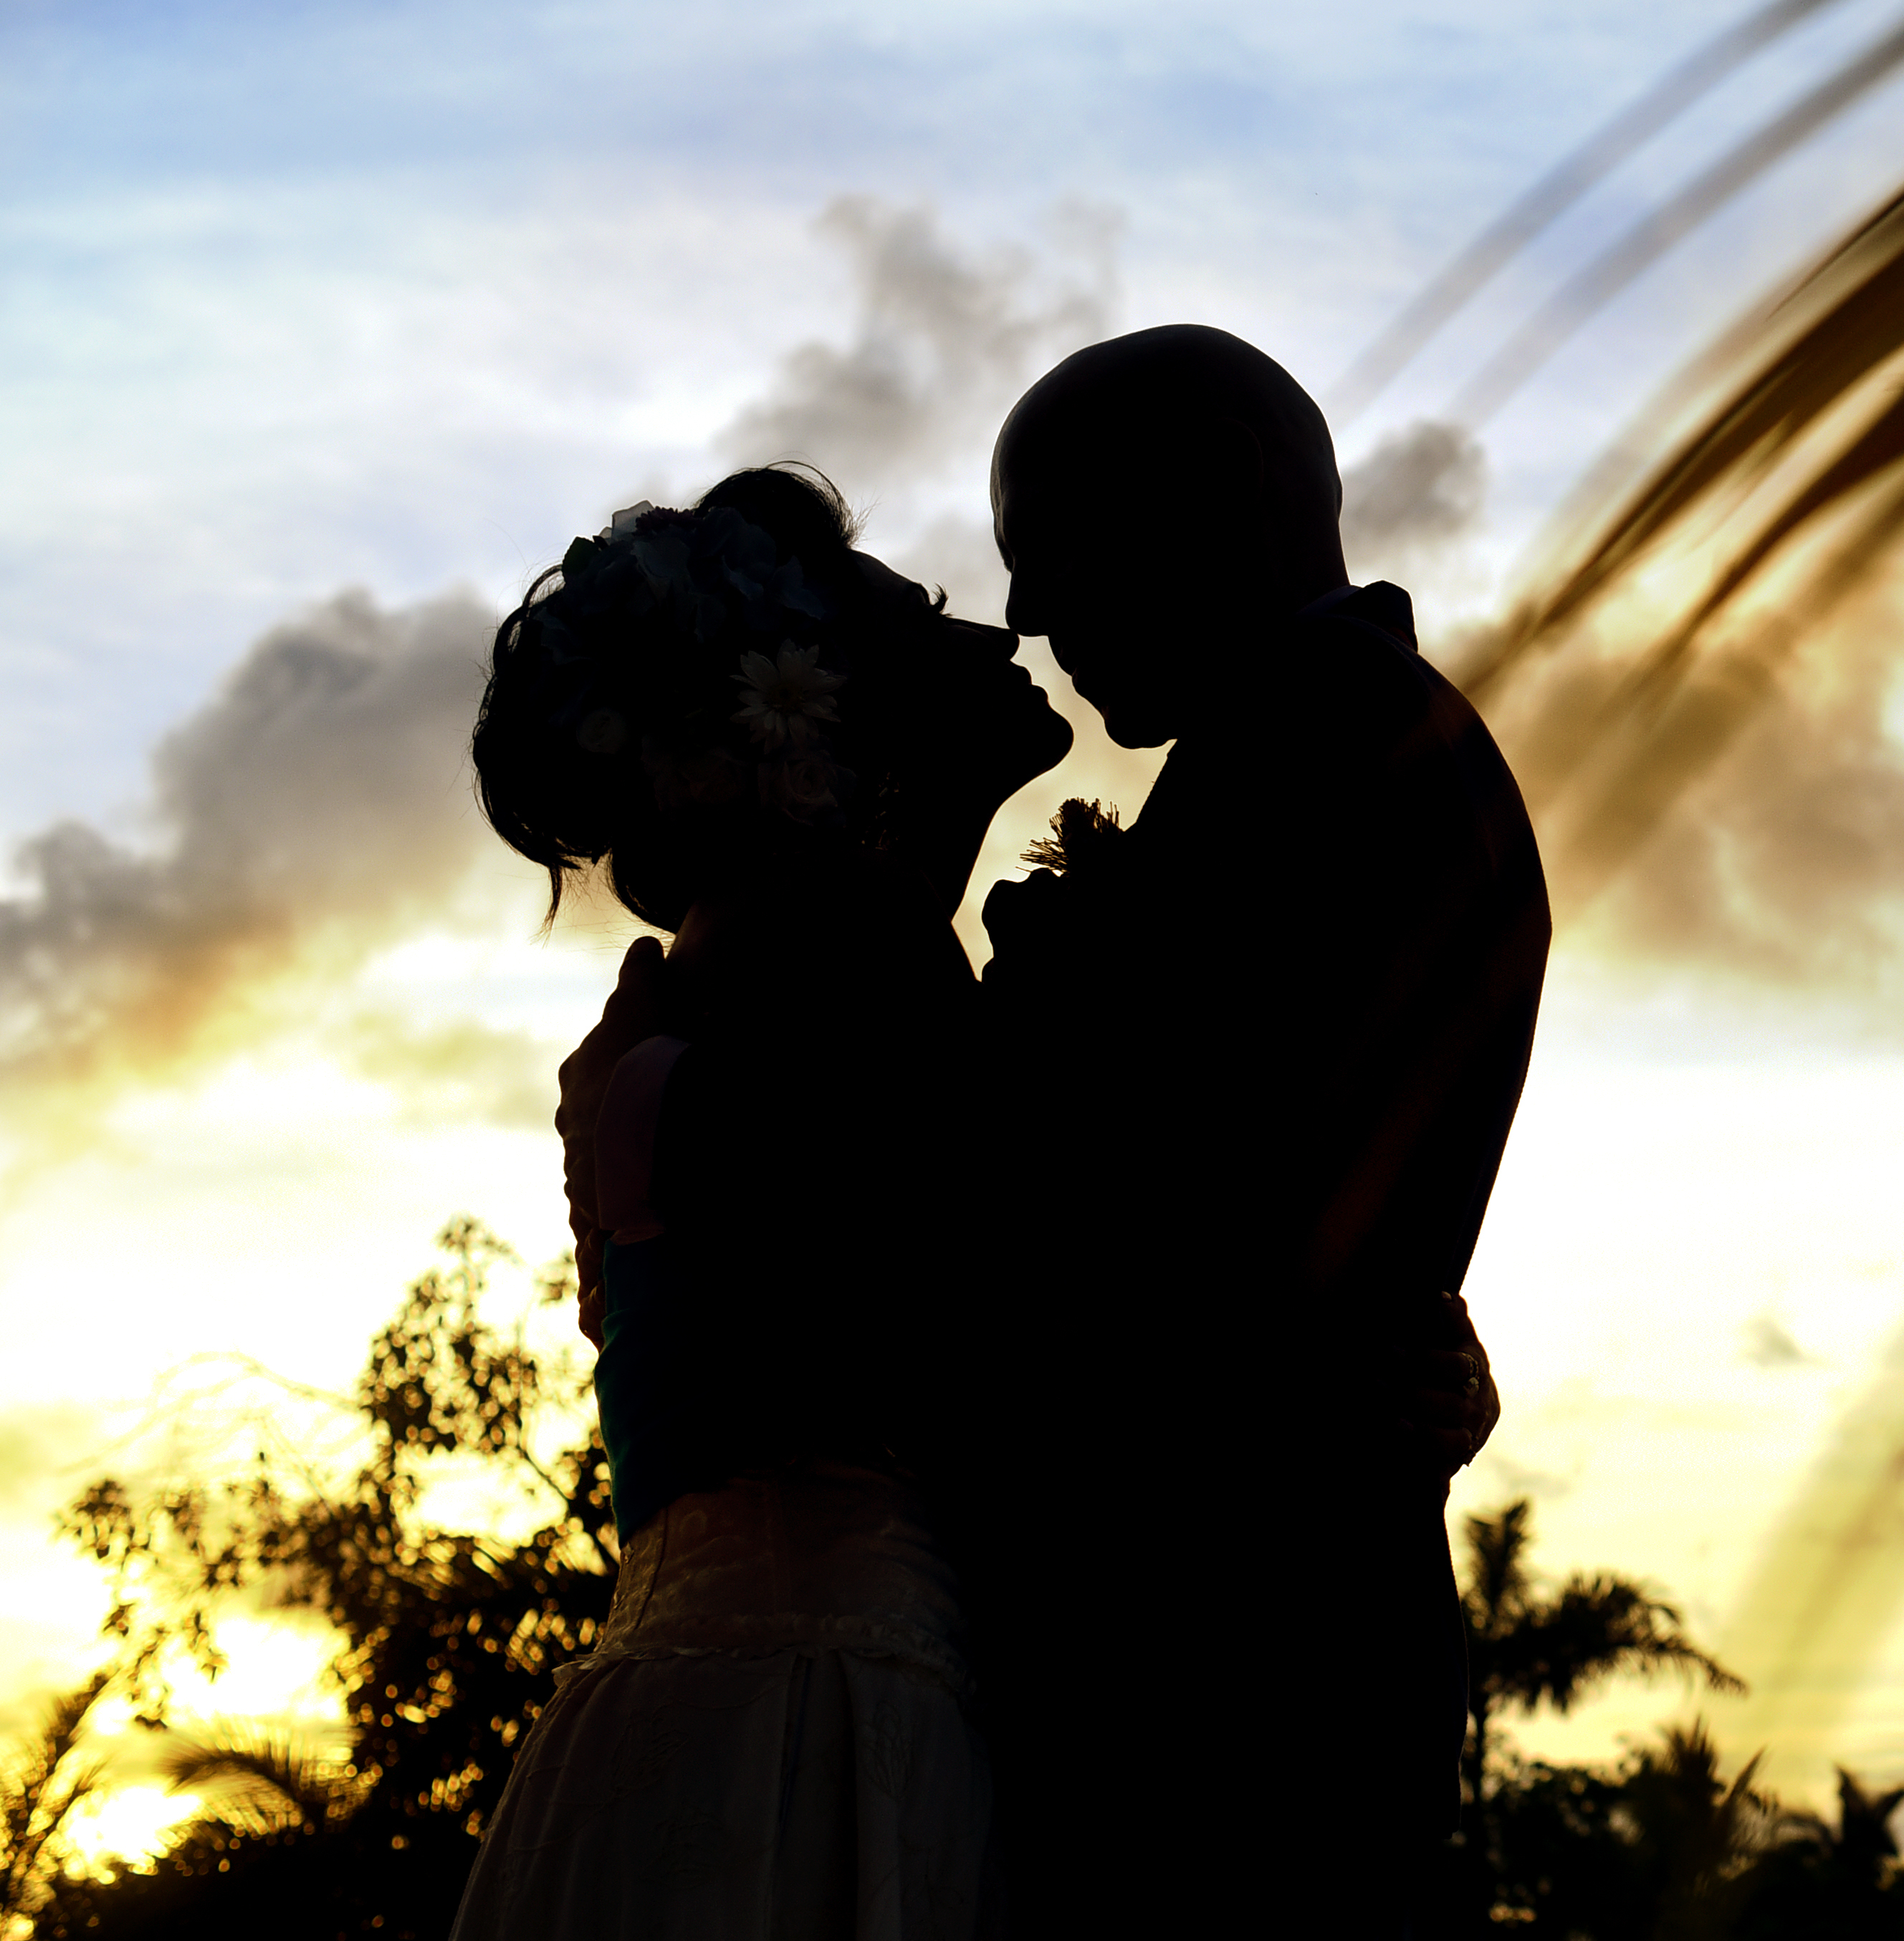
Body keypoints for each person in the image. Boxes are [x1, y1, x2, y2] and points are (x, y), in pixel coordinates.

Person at [972, 325, 1549, 1936]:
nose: (1025, 618)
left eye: (1048, 550)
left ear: (1221, 489)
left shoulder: (1342, 753)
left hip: (1235, 1649)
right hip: (1252, 1625)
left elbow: (1171, 1205)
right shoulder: (1306, 746)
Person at [454, 467, 1068, 1940]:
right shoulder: (855, 978)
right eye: (923, 618)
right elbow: (1019, 1332)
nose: (989, 632)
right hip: (832, 1718)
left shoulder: (683, 1009)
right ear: (823, 723)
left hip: (680, 1687)